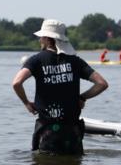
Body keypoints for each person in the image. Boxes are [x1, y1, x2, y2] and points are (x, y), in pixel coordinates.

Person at [12, 19, 108, 155]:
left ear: (46, 38)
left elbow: (16, 82)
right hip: (72, 133)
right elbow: (102, 84)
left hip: (47, 132)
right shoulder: (75, 61)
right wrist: (82, 97)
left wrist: (26, 103)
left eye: (41, 37)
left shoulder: (36, 60)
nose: (39, 40)